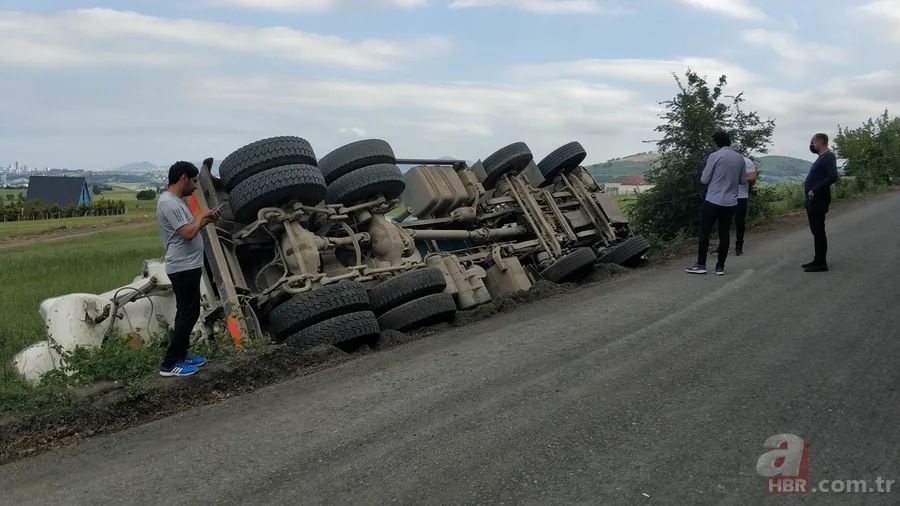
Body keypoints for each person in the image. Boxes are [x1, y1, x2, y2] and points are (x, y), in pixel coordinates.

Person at [156, 161, 221, 377]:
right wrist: (201, 215)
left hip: (189, 265)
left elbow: (188, 229)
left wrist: (206, 220)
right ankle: (170, 364)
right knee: (186, 314)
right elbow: (186, 234)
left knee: (190, 312)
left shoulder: (177, 201)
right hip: (182, 267)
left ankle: (182, 354)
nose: (195, 187)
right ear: (183, 178)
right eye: (193, 181)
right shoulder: (170, 203)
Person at [686, 131, 748, 275]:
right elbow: (743, 181)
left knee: (704, 232)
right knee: (724, 233)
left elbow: (704, 179)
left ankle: (701, 264)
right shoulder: (739, 158)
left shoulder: (715, 156)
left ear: (716, 142)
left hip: (713, 199)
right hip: (731, 201)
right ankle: (720, 267)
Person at [802, 133, 838, 272]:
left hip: (819, 199)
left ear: (820, 142)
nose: (811, 145)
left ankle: (821, 263)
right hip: (813, 199)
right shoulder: (821, 158)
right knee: (816, 230)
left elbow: (832, 176)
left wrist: (815, 190)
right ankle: (817, 259)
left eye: (812, 142)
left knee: (818, 230)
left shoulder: (828, 156)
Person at [734, 153, 758, 256]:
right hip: (725, 196)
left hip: (741, 196)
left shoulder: (747, 162)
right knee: (722, 221)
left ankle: (739, 245)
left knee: (739, 222)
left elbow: (752, 178)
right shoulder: (725, 161)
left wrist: (739, 178)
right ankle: (722, 245)